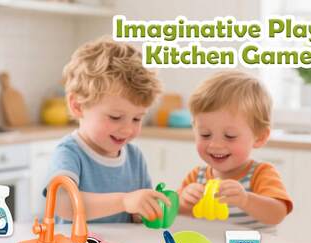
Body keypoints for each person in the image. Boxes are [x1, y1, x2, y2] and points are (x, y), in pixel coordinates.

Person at [46, 37, 169, 223]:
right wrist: (124, 201)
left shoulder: (134, 157)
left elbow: (138, 216)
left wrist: (146, 210)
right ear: (78, 106)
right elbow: (62, 204)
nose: (127, 129)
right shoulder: (70, 152)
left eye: (137, 118)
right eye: (115, 117)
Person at [178, 71, 293, 227]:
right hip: (208, 242)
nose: (215, 145)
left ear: (259, 137)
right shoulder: (196, 176)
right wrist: (184, 202)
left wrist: (246, 200)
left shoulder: (260, 174)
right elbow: (173, 211)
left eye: (230, 136)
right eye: (205, 135)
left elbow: (277, 214)